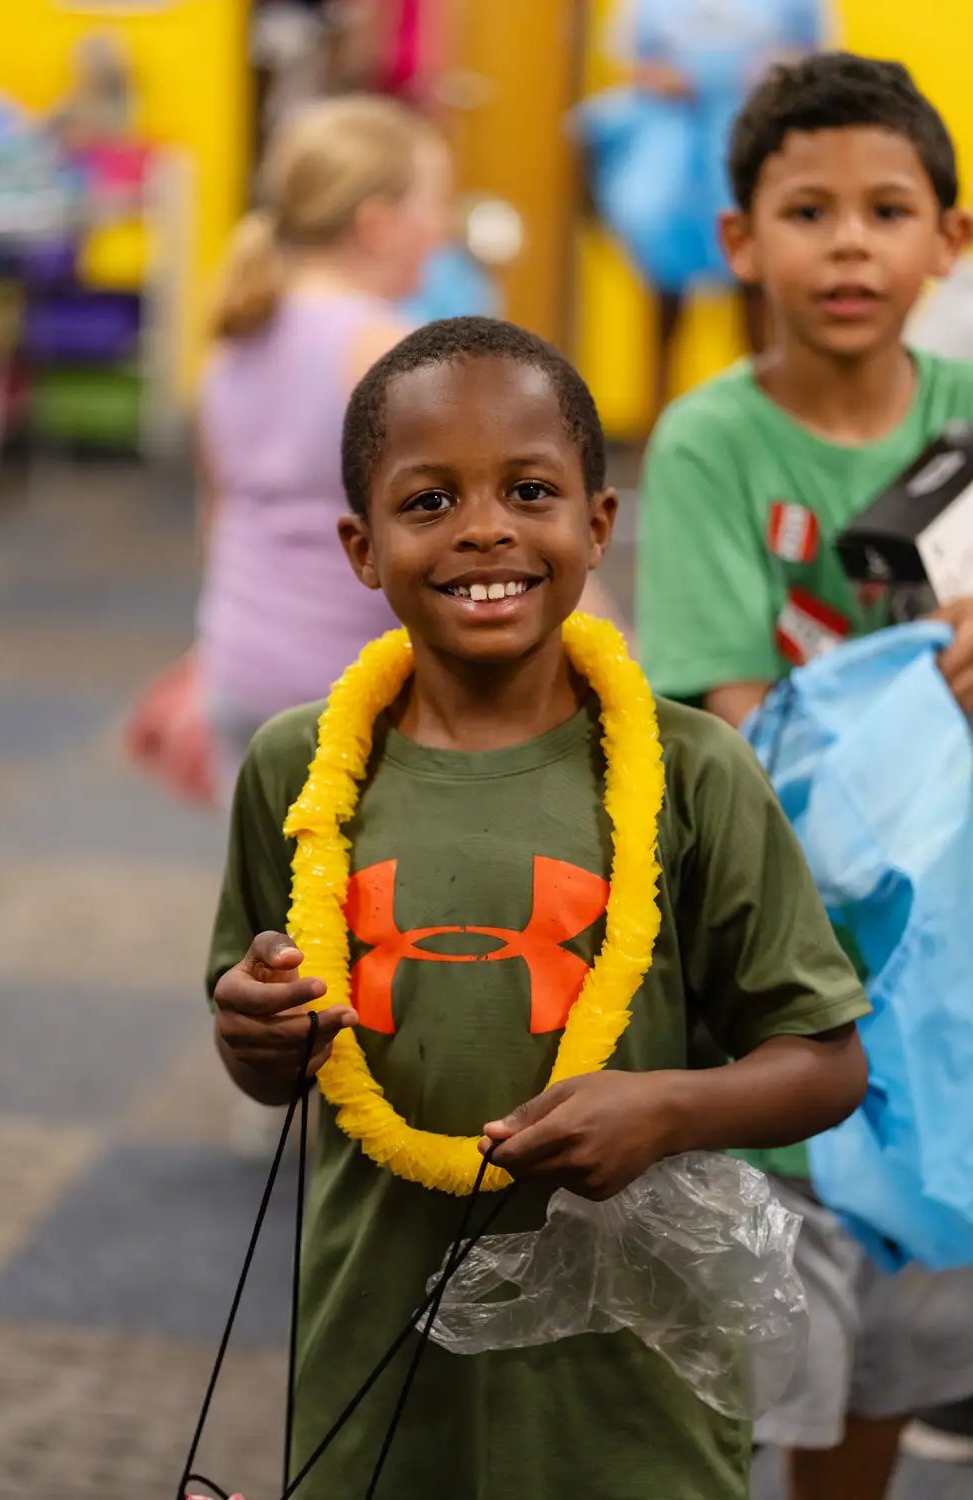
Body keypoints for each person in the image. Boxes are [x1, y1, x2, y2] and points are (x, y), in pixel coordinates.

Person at [206, 315, 869, 1498]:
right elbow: (271, 1067)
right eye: (427, 503)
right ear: (361, 546)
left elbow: (824, 1065)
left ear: (597, 522)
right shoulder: (298, 772)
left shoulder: (692, 769)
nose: (483, 530)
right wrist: (254, 1030)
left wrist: (664, 1108)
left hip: (628, 1386)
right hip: (374, 1348)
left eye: (527, 489)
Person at [638, 51, 973, 1500]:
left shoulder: (968, 412)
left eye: (888, 209)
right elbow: (736, 732)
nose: (849, 242)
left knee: (892, 1353)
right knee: (749, 1341)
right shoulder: (713, 441)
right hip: (781, 969)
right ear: (739, 242)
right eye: (810, 209)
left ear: (950, 242)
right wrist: (925, 693)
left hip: (947, 979)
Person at [196, 93, 449, 799]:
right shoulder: (388, 352)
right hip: (347, 697)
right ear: (377, 224)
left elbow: (219, 521)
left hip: (237, 672)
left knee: (267, 904)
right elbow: (461, 541)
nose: (443, 228)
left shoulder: (232, 341)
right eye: (434, 205)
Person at [582, 0, 830, 416]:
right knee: (666, 306)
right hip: (675, 163)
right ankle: (655, 423)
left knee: (754, 301)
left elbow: (812, 55)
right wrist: (667, 79)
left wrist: (775, 69)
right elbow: (632, 62)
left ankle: (766, 423)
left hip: (747, 147)